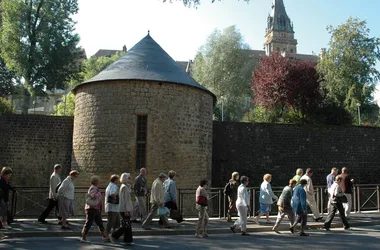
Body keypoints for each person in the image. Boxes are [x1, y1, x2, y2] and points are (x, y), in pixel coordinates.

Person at [81, 176, 108, 243]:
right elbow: (94, 196)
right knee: (89, 222)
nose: (99, 182)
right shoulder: (93, 188)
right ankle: (83, 237)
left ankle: (104, 236)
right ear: (96, 182)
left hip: (95, 209)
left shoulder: (95, 188)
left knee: (99, 222)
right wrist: (99, 194)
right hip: (92, 208)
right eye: (99, 181)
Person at [110, 173, 134, 246]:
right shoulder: (124, 187)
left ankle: (128, 240)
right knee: (126, 225)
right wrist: (126, 210)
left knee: (127, 224)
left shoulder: (125, 186)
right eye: (128, 178)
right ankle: (113, 235)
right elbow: (124, 200)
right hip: (124, 209)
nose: (130, 179)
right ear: (125, 179)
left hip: (124, 208)